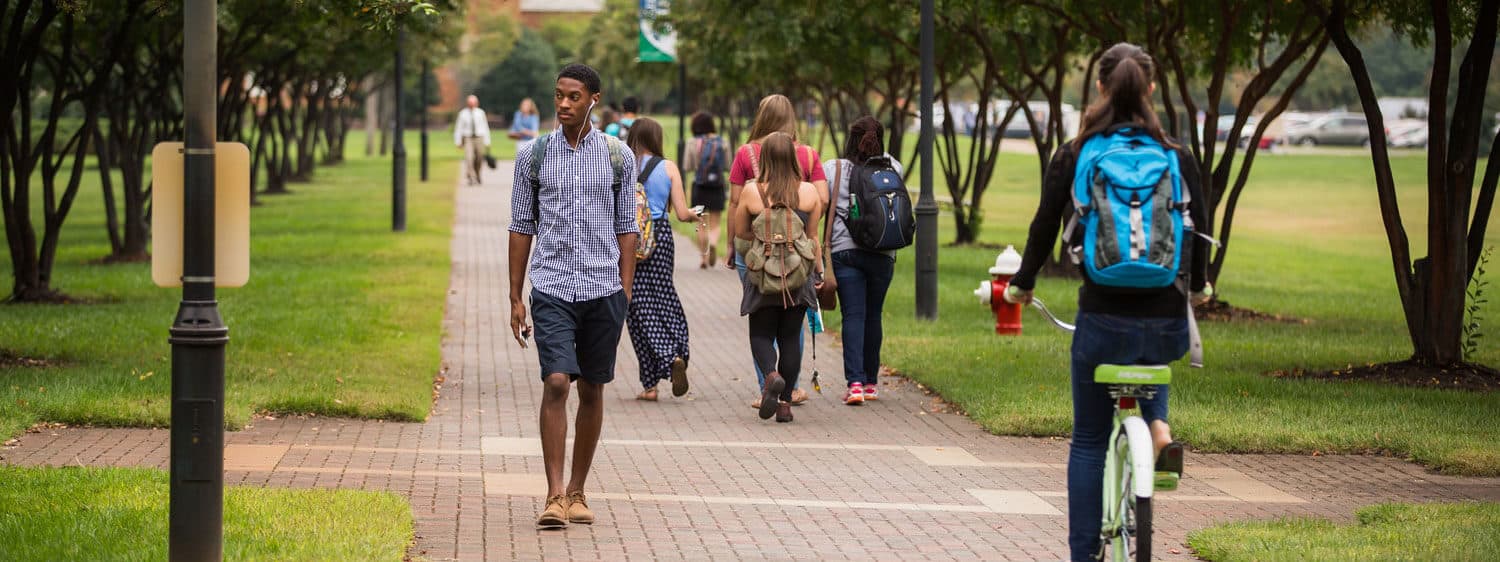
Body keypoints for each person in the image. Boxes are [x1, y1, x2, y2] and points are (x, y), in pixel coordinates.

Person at [1003, 43, 1212, 562]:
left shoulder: (1075, 154)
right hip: (1166, 321)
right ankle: (1158, 429)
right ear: (1152, 87)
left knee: (1091, 440)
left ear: (1099, 87)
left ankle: (1081, 555)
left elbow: (1043, 227)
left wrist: (1021, 284)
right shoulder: (1175, 155)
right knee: (1151, 353)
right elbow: (1197, 227)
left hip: (1100, 317)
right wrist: (1201, 286)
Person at [509, 63, 638, 530]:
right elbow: (522, 226)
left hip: (604, 288)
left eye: (574, 96)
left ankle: (579, 491)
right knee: (557, 382)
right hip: (552, 287)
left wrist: (623, 292)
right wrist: (515, 295)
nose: (564, 104)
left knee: (592, 387)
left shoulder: (618, 156)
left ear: (593, 100)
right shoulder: (533, 156)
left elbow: (628, 228)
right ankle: (553, 495)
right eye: (559, 95)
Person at [727, 94, 828, 409]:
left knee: (761, 333)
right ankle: (785, 403)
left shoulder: (752, 192)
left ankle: (770, 376)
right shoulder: (809, 192)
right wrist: (821, 272)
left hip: (762, 272)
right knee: (790, 337)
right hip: (798, 274)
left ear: (765, 157)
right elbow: (813, 236)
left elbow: (742, 230)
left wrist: (744, 244)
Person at [821, 116, 903, 406]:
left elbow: (821, 206)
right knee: (874, 315)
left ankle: (854, 384)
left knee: (853, 315)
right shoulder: (894, 167)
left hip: (845, 252)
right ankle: (871, 383)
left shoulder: (835, 168)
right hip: (883, 252)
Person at [625, 117, 703, 401]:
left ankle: (650, 384)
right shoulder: (668, 167)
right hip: (660, 237)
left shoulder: (621, 166)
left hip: (628, 238)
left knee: (635, 305)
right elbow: (682, 214)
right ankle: (675, 352)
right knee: (664, 295)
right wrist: (696, 213)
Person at [682, 112, 731, 269]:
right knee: (715, 223)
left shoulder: (692, 143)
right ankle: (714, 243)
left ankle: (703, 258)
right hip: (717, 186)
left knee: (701, 223)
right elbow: (727, 165)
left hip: (699, 187)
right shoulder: (723, 142)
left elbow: (687, 166)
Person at [453, 95, 491, 185]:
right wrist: (458, 141)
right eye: (470, 103)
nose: (472, 105)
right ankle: (471, 177)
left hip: (479, 137)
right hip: (468, 138)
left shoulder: (481, 113)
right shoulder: (462, 114)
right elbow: (458, 128)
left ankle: (477, 174)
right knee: (469, 158)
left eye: (473, 103)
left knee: (479, 158)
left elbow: (485, 127)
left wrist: (487, 140)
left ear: (477, 103)